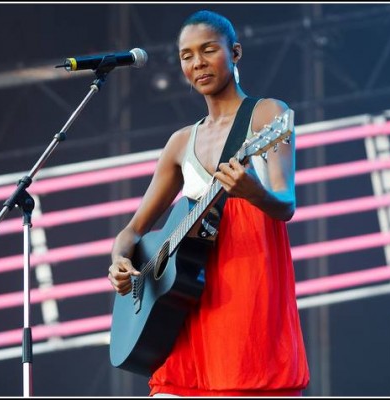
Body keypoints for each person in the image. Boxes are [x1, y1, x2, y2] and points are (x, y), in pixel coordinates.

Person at [107, 9, 310, 397]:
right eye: (186, 55)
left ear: (234, 52)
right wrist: (120, 261)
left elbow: (286, 203)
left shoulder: (268, 115)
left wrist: (254, 192)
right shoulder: (180, 142)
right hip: (182, 310)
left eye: (208, 50)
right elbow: (132, 231)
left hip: (245, 297)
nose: (197, 62)